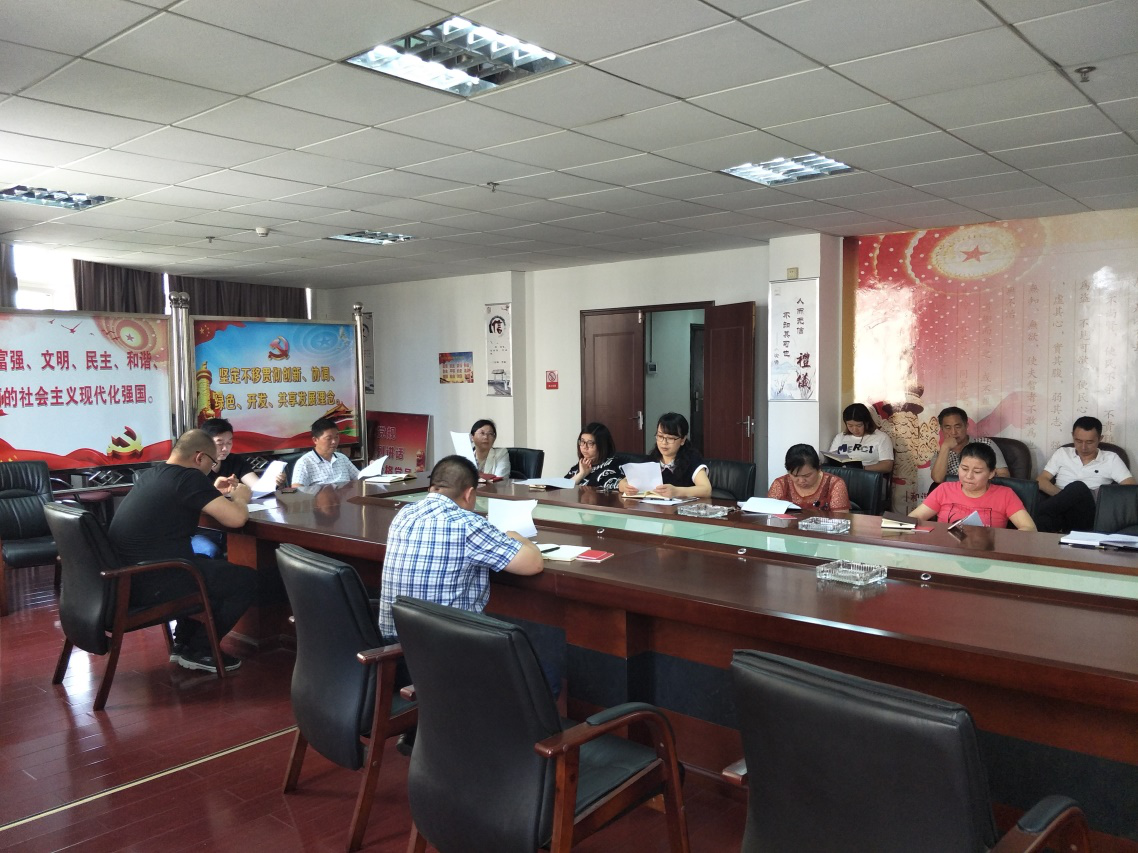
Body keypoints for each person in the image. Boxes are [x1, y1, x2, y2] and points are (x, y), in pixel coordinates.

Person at [108, 430, 257, 673]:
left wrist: (212, 491)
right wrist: (240, 497)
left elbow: (181, 501)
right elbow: (237, 519)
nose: (211, 469)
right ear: (199, 457)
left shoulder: (153, 473)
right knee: (244, 579)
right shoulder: (189, 477)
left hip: (128, 578)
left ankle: (184, 643)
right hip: (155, 581)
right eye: (212, 462)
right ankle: (202, 649)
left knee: (210, 566)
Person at [377, 455, 544, 641]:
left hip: (395, 642)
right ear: (469, 494)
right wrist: (515, 536)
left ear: (432, 488)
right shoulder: (467, 524)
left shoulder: (404, 514)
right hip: (450, 648)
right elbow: (533, 564)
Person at [192, 417, 285, 558]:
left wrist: (274, 481)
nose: (225, 448)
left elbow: (258, 487)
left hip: (232, 525)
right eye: (219, 443)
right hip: (202, 530)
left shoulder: (235, 460)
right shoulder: (195, 467)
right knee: (211, 550)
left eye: (229, 442)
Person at [1035, 416, 1135, 533]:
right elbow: (1041, 480)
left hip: (1089, 511)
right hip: (1059, 508)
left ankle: (1033, 512)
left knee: (1078, 487)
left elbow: (1131, 488)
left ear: (1100, 438)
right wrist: (1067, 497)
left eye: (1089, 442)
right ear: (1073, 436)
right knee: (1044, 521)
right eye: (1078, 441)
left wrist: (1099, 498)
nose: (1083, 447)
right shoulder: (1062, 453)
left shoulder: (1111, 459)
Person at [910, 442, 1036, 530]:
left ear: (991, 473)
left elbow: (1029, 528)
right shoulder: (944, 489)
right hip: (945, 552)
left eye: (977, 472)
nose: (969, 476)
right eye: (964, 469)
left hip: (987, 555)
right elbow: (914, 517)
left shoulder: (1005, 495)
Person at [618, 412, 712, 498]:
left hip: (682, 509)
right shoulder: (652, 459)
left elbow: (706, 490)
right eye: (660, 436)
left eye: (670, 438)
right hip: (653, 508)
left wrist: (676, 491)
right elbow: (623, 482)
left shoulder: (692, 459)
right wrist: (625, 486)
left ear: (682, 440)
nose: (664, 442)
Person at [930, 406, 1009, 485]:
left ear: (966, 426)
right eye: (948, 428)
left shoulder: (986, 444)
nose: (953, 432)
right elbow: (938, 479)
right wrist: (945, 447)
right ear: (942, 429)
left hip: (983, 490)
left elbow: (1004, 475)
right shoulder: (940, 453)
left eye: (958, 427)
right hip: (952, 492)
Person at [768, 444, 851, 511]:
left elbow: (841, 520)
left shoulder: (834, 484)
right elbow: (769, 516)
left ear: (818, 469)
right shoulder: (781, 484)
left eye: (807, 476)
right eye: (795, 476)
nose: (801, 481)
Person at [291, 417, 358, 487]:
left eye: (336, 437)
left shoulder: (342, 458)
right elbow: (297, 488)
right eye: (329, 438)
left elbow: (359, 477)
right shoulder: (304, 462)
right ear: (315, 440)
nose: (334, 442)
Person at [829, 403, 894, 474]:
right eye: (850, 426)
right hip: (843, 475)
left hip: (866, 476)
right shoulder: (840, 437)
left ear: (867, 422)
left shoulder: (881, 437)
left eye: (859, 425)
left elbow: (887, 466)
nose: (855, 429)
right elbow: (832, 459)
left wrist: (862, 469)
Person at [566, 422, 621, 490]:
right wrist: (581, 474)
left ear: (602, 445)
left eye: (590, 443)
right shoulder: (580, 466)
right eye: (582, 442)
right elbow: (559, 489)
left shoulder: (612, 467)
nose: (584, 447)